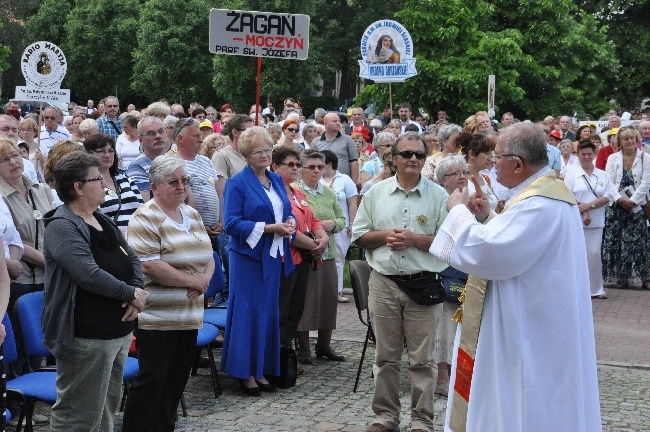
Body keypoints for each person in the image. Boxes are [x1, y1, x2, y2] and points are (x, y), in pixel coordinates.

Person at [428, 123, 601, 431]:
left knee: (524, 406)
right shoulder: (544, 198)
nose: (493, 163)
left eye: (497, 157)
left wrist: (458, 211)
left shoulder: (539, 205)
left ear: (518, 165)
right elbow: (512, 244)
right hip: (536, 323)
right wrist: (485, 218)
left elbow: (489, 253)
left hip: (529, 333)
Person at [42, 151, 146, 431]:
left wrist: (136, 291)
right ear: (78, 187)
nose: (104, 183)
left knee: (106, 410)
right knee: (77, 415)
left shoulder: (100, 218)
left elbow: (131, 257)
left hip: (118, 330)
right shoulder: (62, 225)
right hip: (86, 335)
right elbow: (89, 275)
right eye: (97, 179)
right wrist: (131, 294)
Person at [352, 131, 448, 432]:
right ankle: (385, 417)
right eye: (407, 154)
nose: (413, 160)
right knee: (385, 357)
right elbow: (359, 236)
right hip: (384, 283)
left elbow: (450, 242)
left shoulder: (439, 196)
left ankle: (421, 420)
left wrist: (415, 239)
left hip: (423, 285)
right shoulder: (375, 193)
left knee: (422, 360)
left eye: (419, 155)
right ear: (393, 159)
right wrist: (386, 236)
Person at [122, 155, 214, 431]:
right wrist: (192, 280)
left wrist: (204, 281)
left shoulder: (191, 213)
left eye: (184, 180)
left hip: (189, 314)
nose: (181, 186)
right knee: (152, 382)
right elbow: (150, 265)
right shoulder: (145, 217)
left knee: (176, 381)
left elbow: (208, 255)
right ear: (154, 186)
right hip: (158, 317)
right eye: (173, 181)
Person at [220, 126, 295, 396]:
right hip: (248, 258)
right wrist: (269, 228)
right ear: (246, 155)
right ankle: (245, 373)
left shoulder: (275, 180)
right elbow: (231, 224)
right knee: (247, 314)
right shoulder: (237, 183)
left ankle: (262, 369)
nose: (263, 155)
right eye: (256, 152)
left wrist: (289, 222)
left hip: (273, 255)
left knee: (268, 314)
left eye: (267, 150)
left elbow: (285, 210)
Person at [0, 138, 54, 374]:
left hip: (48, 275)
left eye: (15, 155)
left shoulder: (40, 189)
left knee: (40, 338)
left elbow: (54, 225)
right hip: (19, 277)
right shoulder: (1, 197)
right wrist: (47, 261)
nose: (13, 162)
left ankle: (31, 393)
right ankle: (17, 398)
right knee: (20, 344)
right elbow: (14, 239)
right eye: (4, 159)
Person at [270, 147, 328, 362]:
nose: (295, 168)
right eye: (290, 164)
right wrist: (315, 245)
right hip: (285, 260)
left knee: (296, 309)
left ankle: (285, 356)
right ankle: (277, 356)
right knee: (282, 311)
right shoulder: (275, 194)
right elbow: (289, 232)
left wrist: (323, 238)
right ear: (275, 167)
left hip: (303, 260)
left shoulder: (297, 192)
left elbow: (313, 220)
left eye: (297, 164)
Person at [294, 150, 346, 364]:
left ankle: (324, 345)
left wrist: (334, 224)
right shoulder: (295, 191)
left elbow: (342, 218)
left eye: (320, 167)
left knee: (327, 299)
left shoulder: (328, 192)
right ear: (302, 169)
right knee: (305, 301)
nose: (316, 171)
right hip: (306, 254)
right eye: (311, 167)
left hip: (328, 253)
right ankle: (303, 349)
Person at [434, 154, 470, 396]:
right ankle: (441, 375)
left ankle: (460, 371)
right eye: (456, 173)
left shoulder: (471, 198)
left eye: (464, 172)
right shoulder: (438, 201)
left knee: (461, 324)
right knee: (444, 323)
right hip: (442, 268)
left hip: (467, 267)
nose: (462, 177)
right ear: (443, 179)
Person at [602, 127, 650, 289]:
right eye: (625, 139)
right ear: (619, 142)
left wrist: (633, 201)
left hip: (637, 208)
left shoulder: (645, 157)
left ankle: (642, 277)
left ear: (637, 140)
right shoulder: (612, 158)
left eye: (632, 138)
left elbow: (646, 182)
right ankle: (620, 279)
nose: (629, 141)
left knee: (637, 242)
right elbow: (609, 181)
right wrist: (620, 200)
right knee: (616, 241)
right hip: (616, 207)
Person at [565, 140, 612, 299]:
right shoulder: (571, 175)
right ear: (577, 155)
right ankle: (578, 289)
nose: (586, 157)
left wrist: (588, 207)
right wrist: (583, 211)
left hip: (597, 221)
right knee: (577, 255)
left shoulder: (603, 174)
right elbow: (568, 197)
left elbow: (608, 196)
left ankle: (596, 289)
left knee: (594, 254)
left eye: (589, 154)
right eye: (583, 154)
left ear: (594, 155)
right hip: (576, 220)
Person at [84, 134, 143, 234]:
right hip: (112, 241)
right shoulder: (88, 183)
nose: (107, 155)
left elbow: (142, 208)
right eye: (101, 151)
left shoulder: (125, 179)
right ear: (89, 154)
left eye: (111, 151)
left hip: (139, 237)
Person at [320, 150, 358, 303]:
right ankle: (322, 290)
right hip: (320, 226)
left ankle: (338, 290)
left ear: (329, 164)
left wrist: (352, 223)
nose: (317, 168)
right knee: (321, 257)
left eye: (321, 164)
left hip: (342, 226)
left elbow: (353, 202)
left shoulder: (345, 180)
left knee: (339, 258)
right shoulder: (317, 179)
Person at [458, 132, 499, 210]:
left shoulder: (486, 178)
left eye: (491, 154)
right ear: (472, 154)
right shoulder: (461, 181)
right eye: (486, 153)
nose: (490, 158)